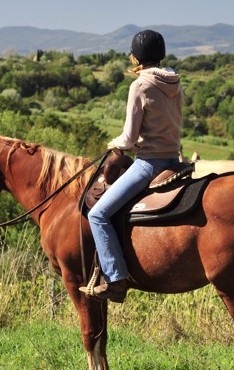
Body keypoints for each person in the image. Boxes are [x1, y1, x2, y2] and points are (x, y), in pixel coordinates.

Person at [79, 30, 184, 303]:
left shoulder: (139, 85)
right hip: (175, 158)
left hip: (149, 163)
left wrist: (116, 144)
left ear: (136, 56)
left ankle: (116, 279)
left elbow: (128, 137)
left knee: (98, 215)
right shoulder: (175, 82)